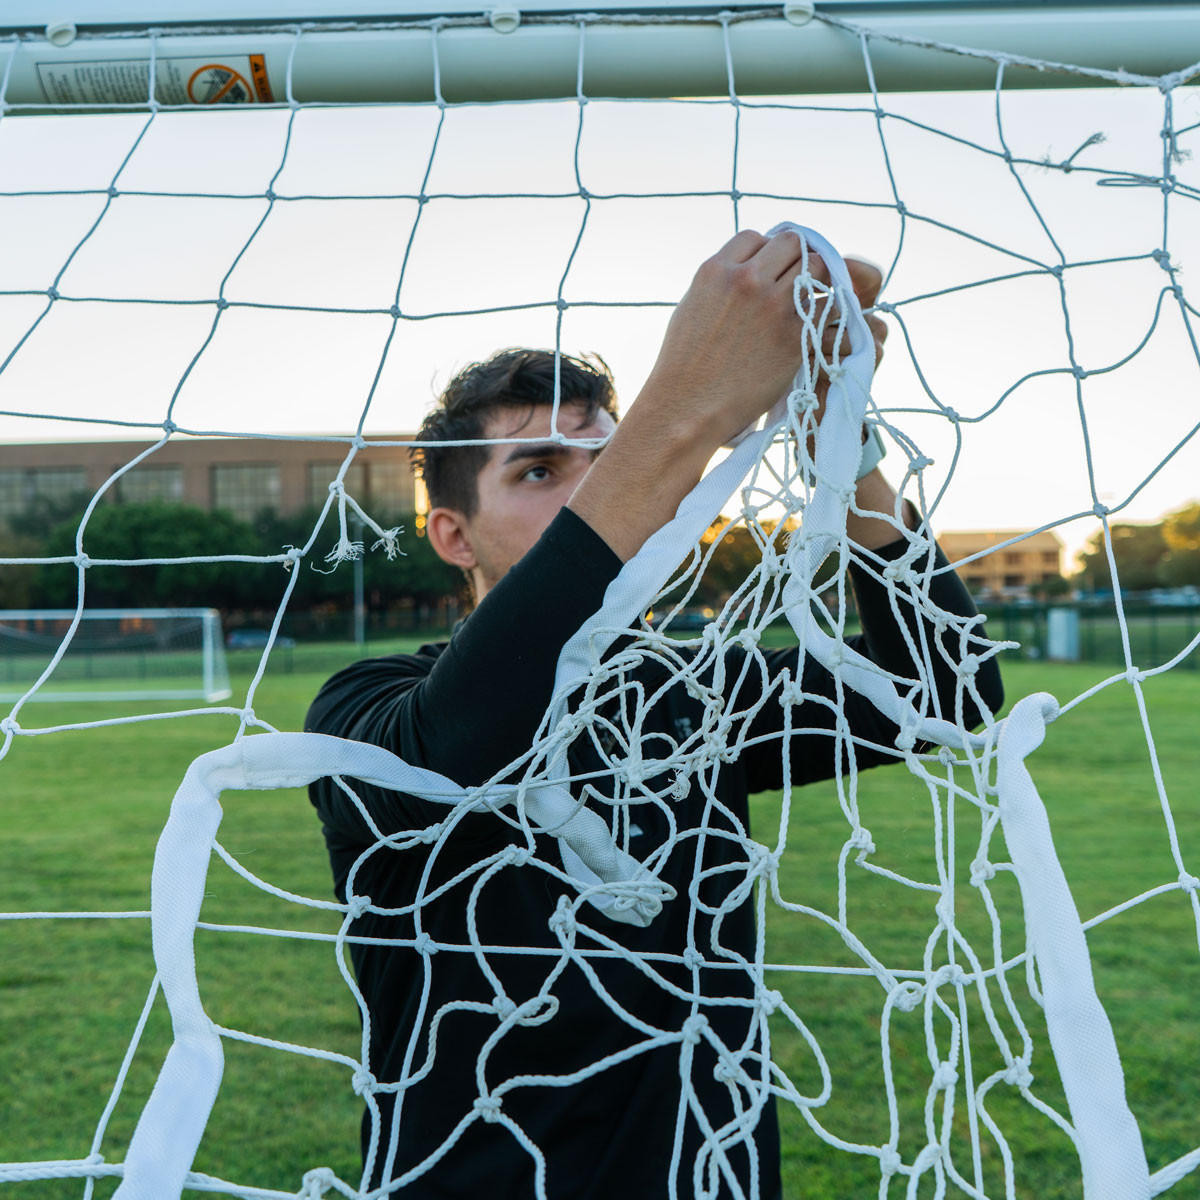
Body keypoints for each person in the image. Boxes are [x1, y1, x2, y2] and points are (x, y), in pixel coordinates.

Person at [306, 230, 1003, 1199]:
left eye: (609, 458)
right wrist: (681, 418)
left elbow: (946, 692)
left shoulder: (693, 695)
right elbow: (460, 741)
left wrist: (835, 438)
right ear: (452, 536)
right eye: (541, 470)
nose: (600, 485)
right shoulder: (363, 707)